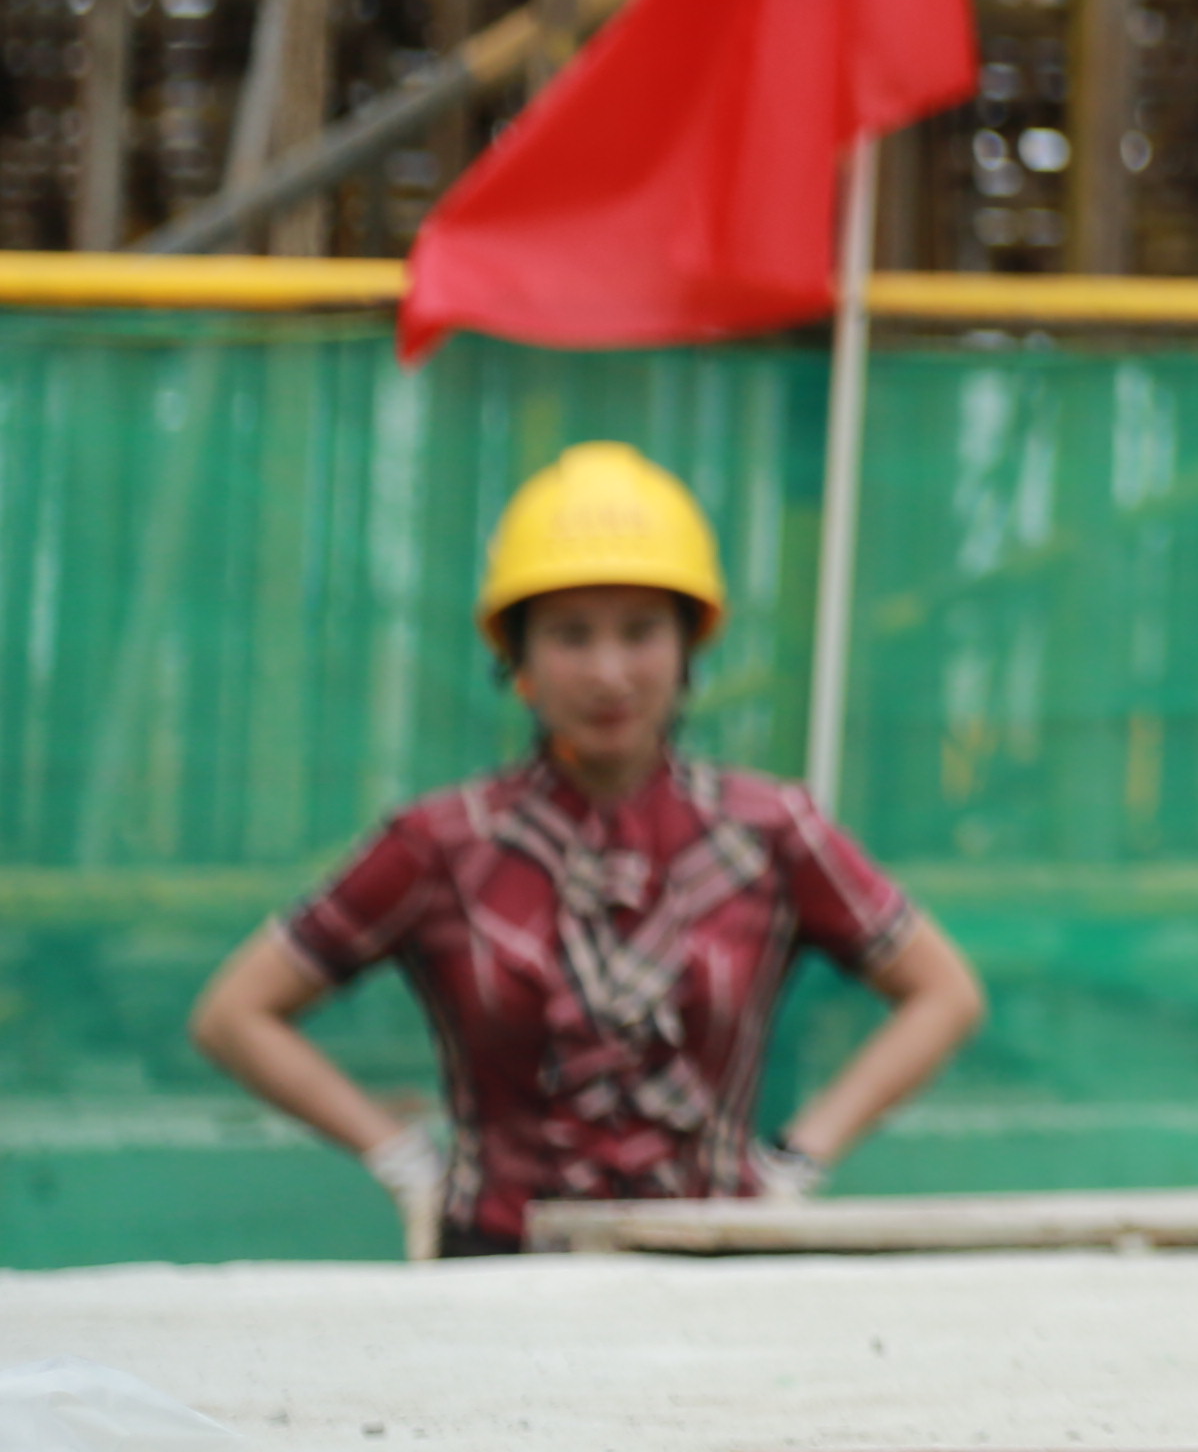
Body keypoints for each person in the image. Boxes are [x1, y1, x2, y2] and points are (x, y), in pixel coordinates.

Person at [185, 442, 985, 1257]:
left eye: (641, 632)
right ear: (519, 657)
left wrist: (793, 1165)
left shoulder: (769, 833)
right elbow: (234, 1014)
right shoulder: (443, 844)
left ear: (688, 646)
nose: (609, 673)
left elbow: (944, 992)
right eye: (571, 636)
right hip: (497, 1269)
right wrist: (403, 1163)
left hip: (716, 1272)